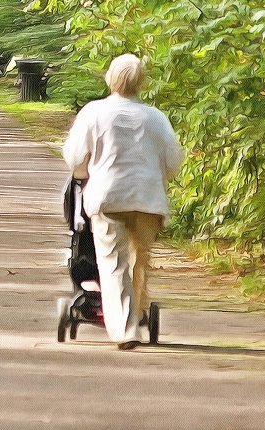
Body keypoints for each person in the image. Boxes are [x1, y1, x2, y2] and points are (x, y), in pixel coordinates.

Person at [62, 54, 185, 350]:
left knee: (113, 263)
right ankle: (133, 318)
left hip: (108, 196)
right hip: (148, 198)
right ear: (141, 82)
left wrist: (84, 173)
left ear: (110, 78)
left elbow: (76, 158)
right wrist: (158, 176)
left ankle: (126, 329)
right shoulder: (156, 117)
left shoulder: (94, 113)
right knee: (138, 263)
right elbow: (174, 160)